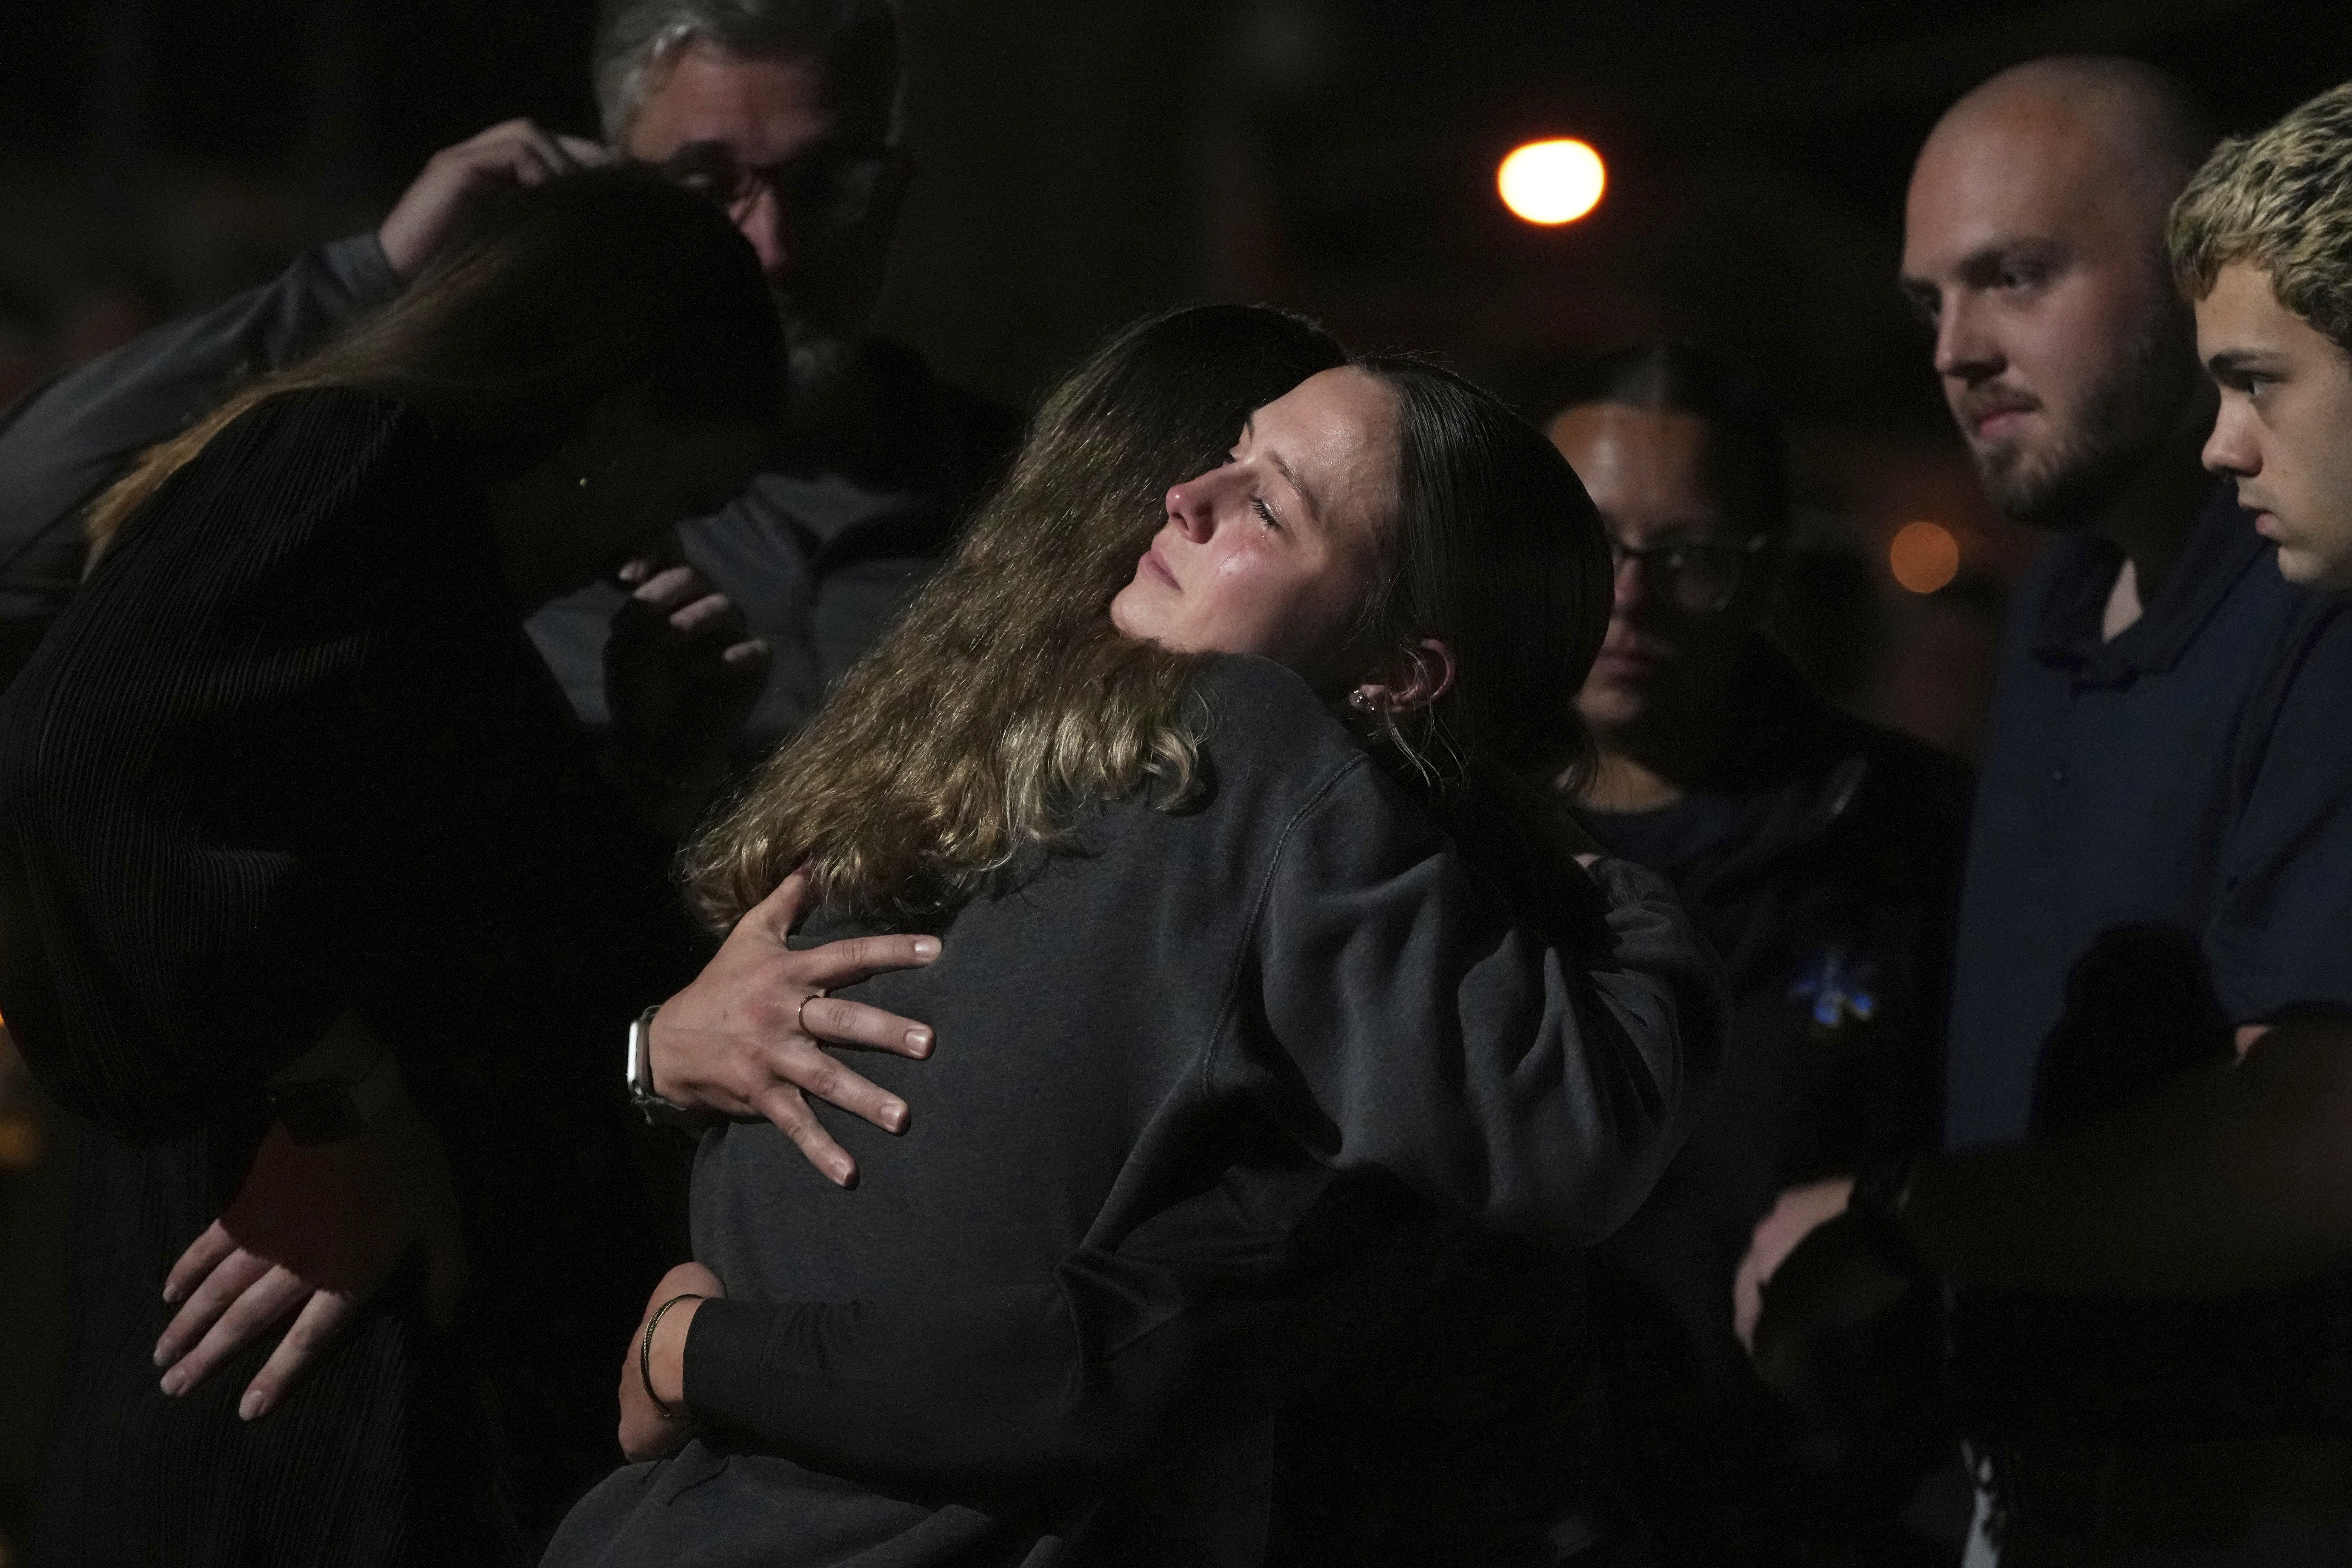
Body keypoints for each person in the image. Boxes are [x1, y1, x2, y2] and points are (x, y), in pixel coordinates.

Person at [540, 306, 1725, 1567]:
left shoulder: (1238, 744)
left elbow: (1553, 1138)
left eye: (1269, 508)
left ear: (1398, 671)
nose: (1189, 496)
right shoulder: (1113, 771)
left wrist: (693, 1332)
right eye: (1228, 452)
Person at [0, 170, 884, 1567]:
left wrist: (648, 773)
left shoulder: (420, 577)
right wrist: (339, 1102)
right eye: (690, 487)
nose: (664, 544)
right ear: (605, 419)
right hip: (303, 1407)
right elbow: (88, 747)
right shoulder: (352, 465)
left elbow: (473, 941)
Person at [1742, 59, 2352, 1565]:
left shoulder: (2318, 592)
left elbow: (2311, 1145)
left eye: (2016, 276)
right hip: (2027, 1481)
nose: (1956, 349)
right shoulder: (2061, 590)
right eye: (1926, 304)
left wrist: (1909, 1218)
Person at [0, 0, 1015, 747]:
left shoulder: (1026, 493)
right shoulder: (500, 484)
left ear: (894, 192)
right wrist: (375, 271)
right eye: (706, 186)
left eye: (826, 185)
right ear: (612, 188)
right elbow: (29, 519)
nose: (774, 248)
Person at [1540, 342, 1971, 1565]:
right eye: (1593, 542)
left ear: (1765, 568)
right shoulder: (1418, 831)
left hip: (1811, 1519)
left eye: (1691, 557)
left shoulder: (1905, 838)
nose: (1631, 595)